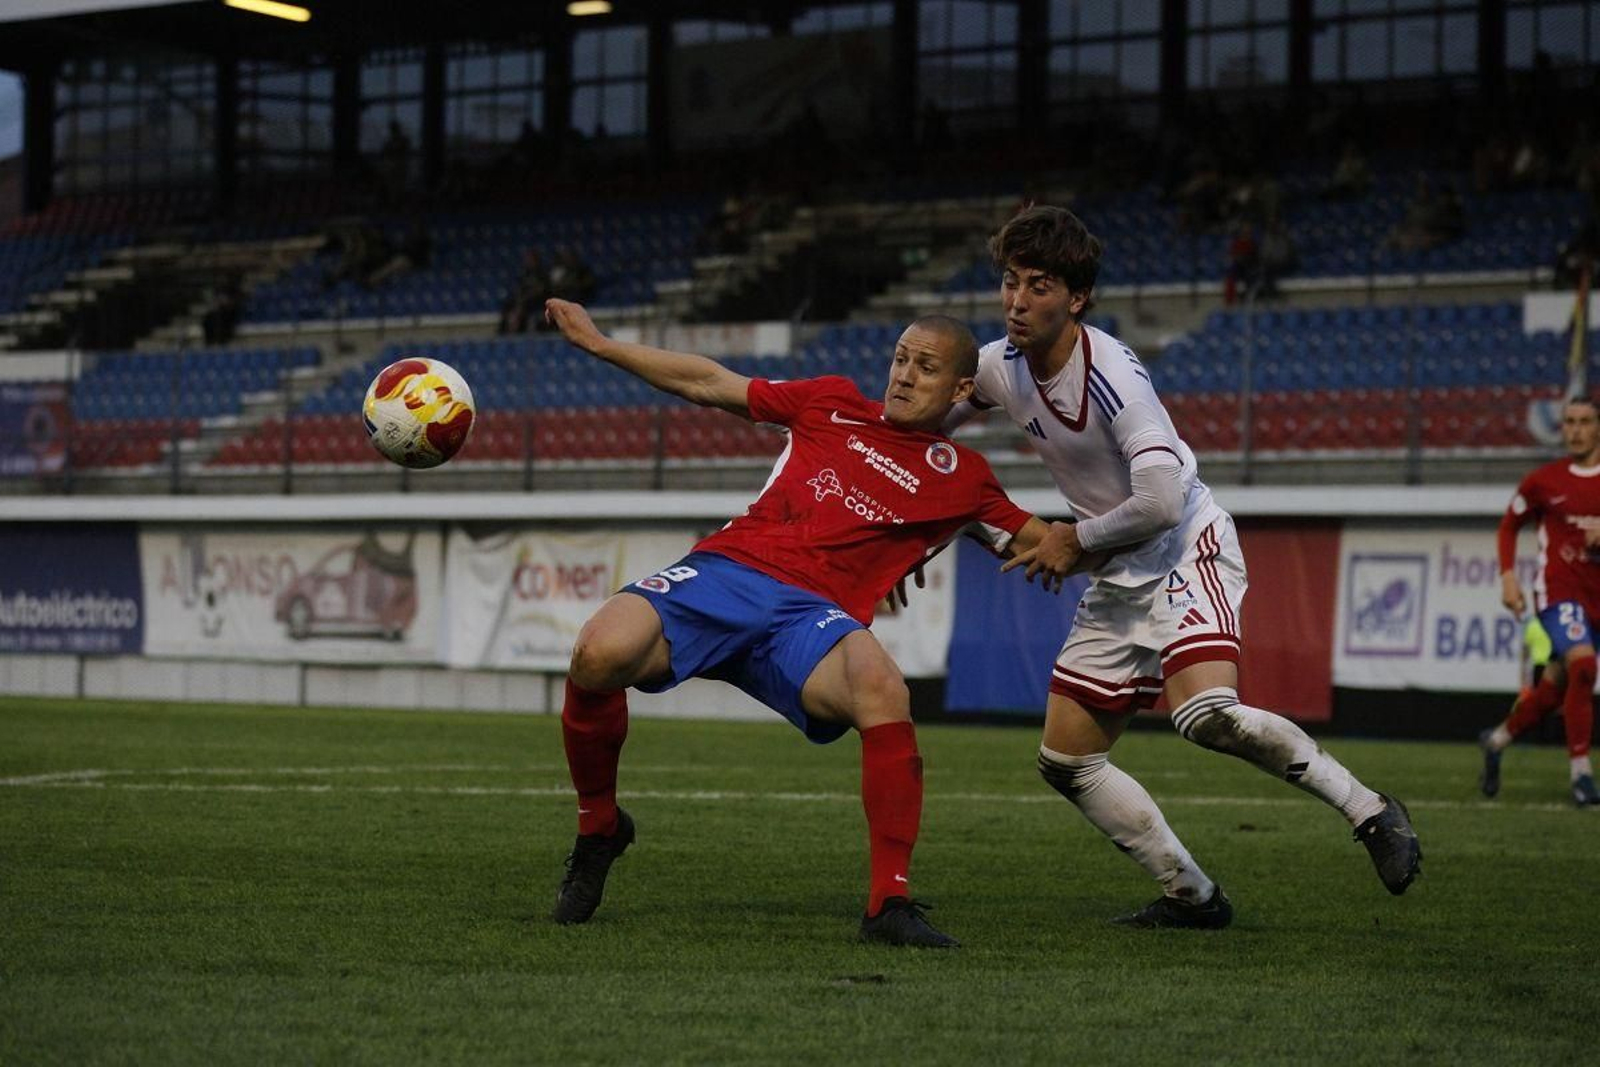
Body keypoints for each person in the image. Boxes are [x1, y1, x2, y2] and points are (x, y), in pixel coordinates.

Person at [939, 205, 1422, 928]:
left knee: (1203, 715)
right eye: (1010, 281)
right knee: (1066, 762)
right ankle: (1191, 894)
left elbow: (1162, 499)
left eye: (1039, 285)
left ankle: (1370, 809)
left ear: (1077, 298)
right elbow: (934, 427)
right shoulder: (997, 366)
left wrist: (1075, 539)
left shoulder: (1113, 379)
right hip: (1116, 571)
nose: (1016, 300)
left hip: (1183, 547)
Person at [541, 297, 1072, 948]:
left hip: (810, 618)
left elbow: (1051, 546)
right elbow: (710, 382)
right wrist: (600, 343)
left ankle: (888, 904)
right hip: (728, 573)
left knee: (882, 686)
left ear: (962, 389)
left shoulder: (964, 480)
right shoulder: (829, 401)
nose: (904, 375)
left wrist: (1140, 530)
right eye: (901, 359)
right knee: (598, 650)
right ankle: (599, 827)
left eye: (926, 367)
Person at [1481, 395, 1600, 807]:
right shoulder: (1544, 481)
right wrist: (1508, 577)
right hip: (1558, 593)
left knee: (1554, 688)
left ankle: (1497, 740)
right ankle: (1582, 774)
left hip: (1596, 596)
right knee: (1583, 663)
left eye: (1585, 421)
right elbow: (1509, 526)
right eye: (1569, 422)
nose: (1576, 430)